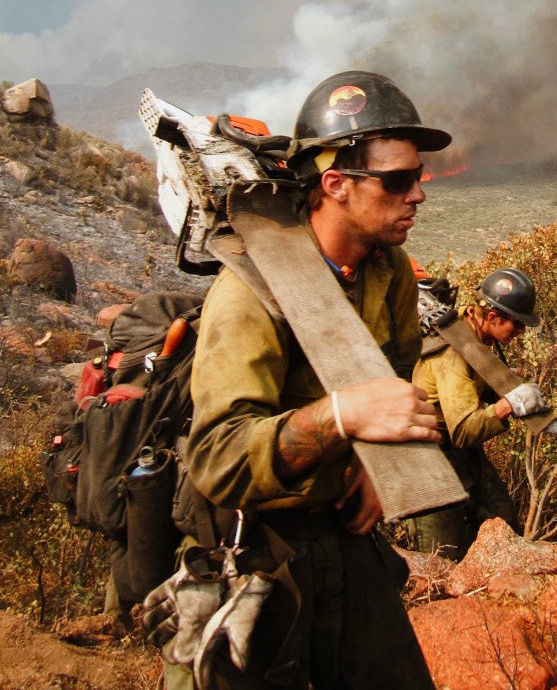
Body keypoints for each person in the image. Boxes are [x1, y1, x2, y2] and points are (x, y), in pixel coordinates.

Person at [168, 71, 449, 689]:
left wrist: (378, 463)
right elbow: (216, 460)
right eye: (397, 180)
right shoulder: (250, 295)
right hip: (257, 542)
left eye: (418, 176)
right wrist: (342, 416)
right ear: (335, 185)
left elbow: (397, 375)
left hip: (340, 528)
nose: (417, 195)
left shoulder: (390, 271)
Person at [408, 267, 549, 560]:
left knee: (502, 520)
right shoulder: (453, 353)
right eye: (517, 324)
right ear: (493, 317)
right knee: (443, 553)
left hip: (460, 450)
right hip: (431, 453)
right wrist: (508, 405)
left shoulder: (471, 327)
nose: (521, 332)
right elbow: (463, 431)